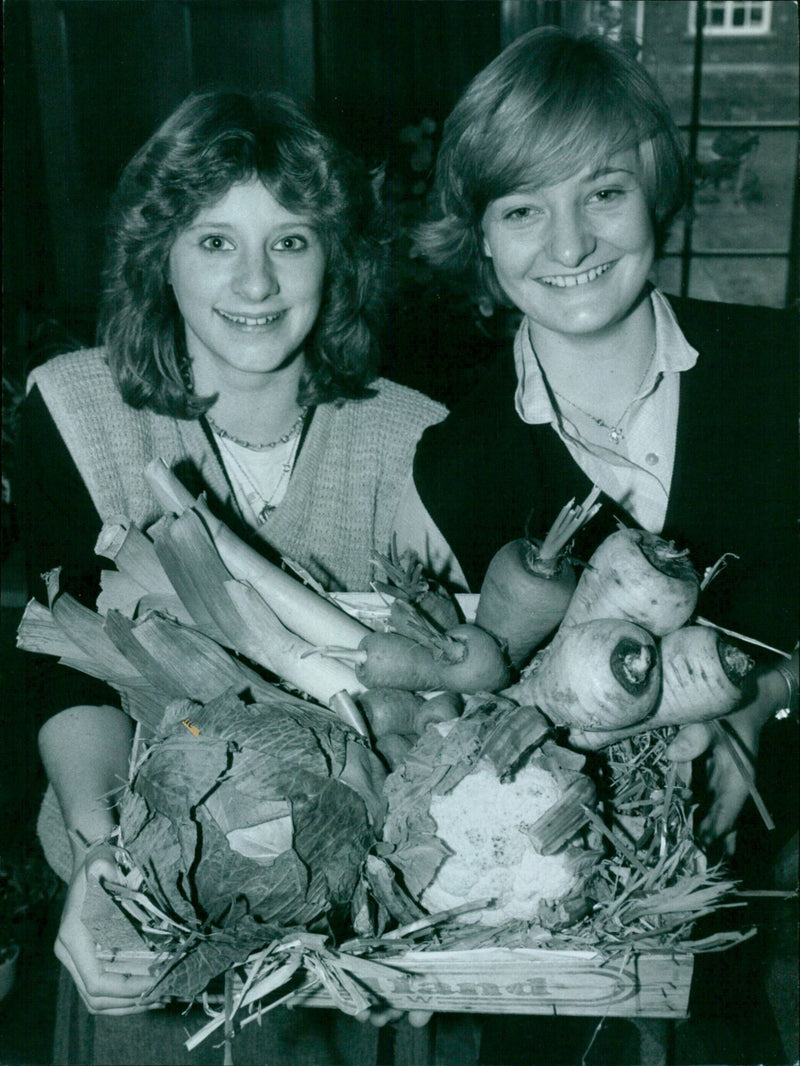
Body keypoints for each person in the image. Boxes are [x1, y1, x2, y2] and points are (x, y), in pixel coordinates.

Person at [19, 88, 445, 1065]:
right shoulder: (77, 410)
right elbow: (70, 661)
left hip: (348, 889)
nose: (254, 281)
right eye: (214, 241)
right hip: (140, 866)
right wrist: (104, 861)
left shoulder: (415, 436)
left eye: (290, 241)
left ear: (335, 258)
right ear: (156, 256)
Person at [394, 26, 798, 854]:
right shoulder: (452, 465)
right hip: (594, 884)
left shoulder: (783, 370)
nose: (570, 243)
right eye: (522, 210)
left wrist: (763, 699)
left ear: (654, 192)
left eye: (603, 193)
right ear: (481, 235)